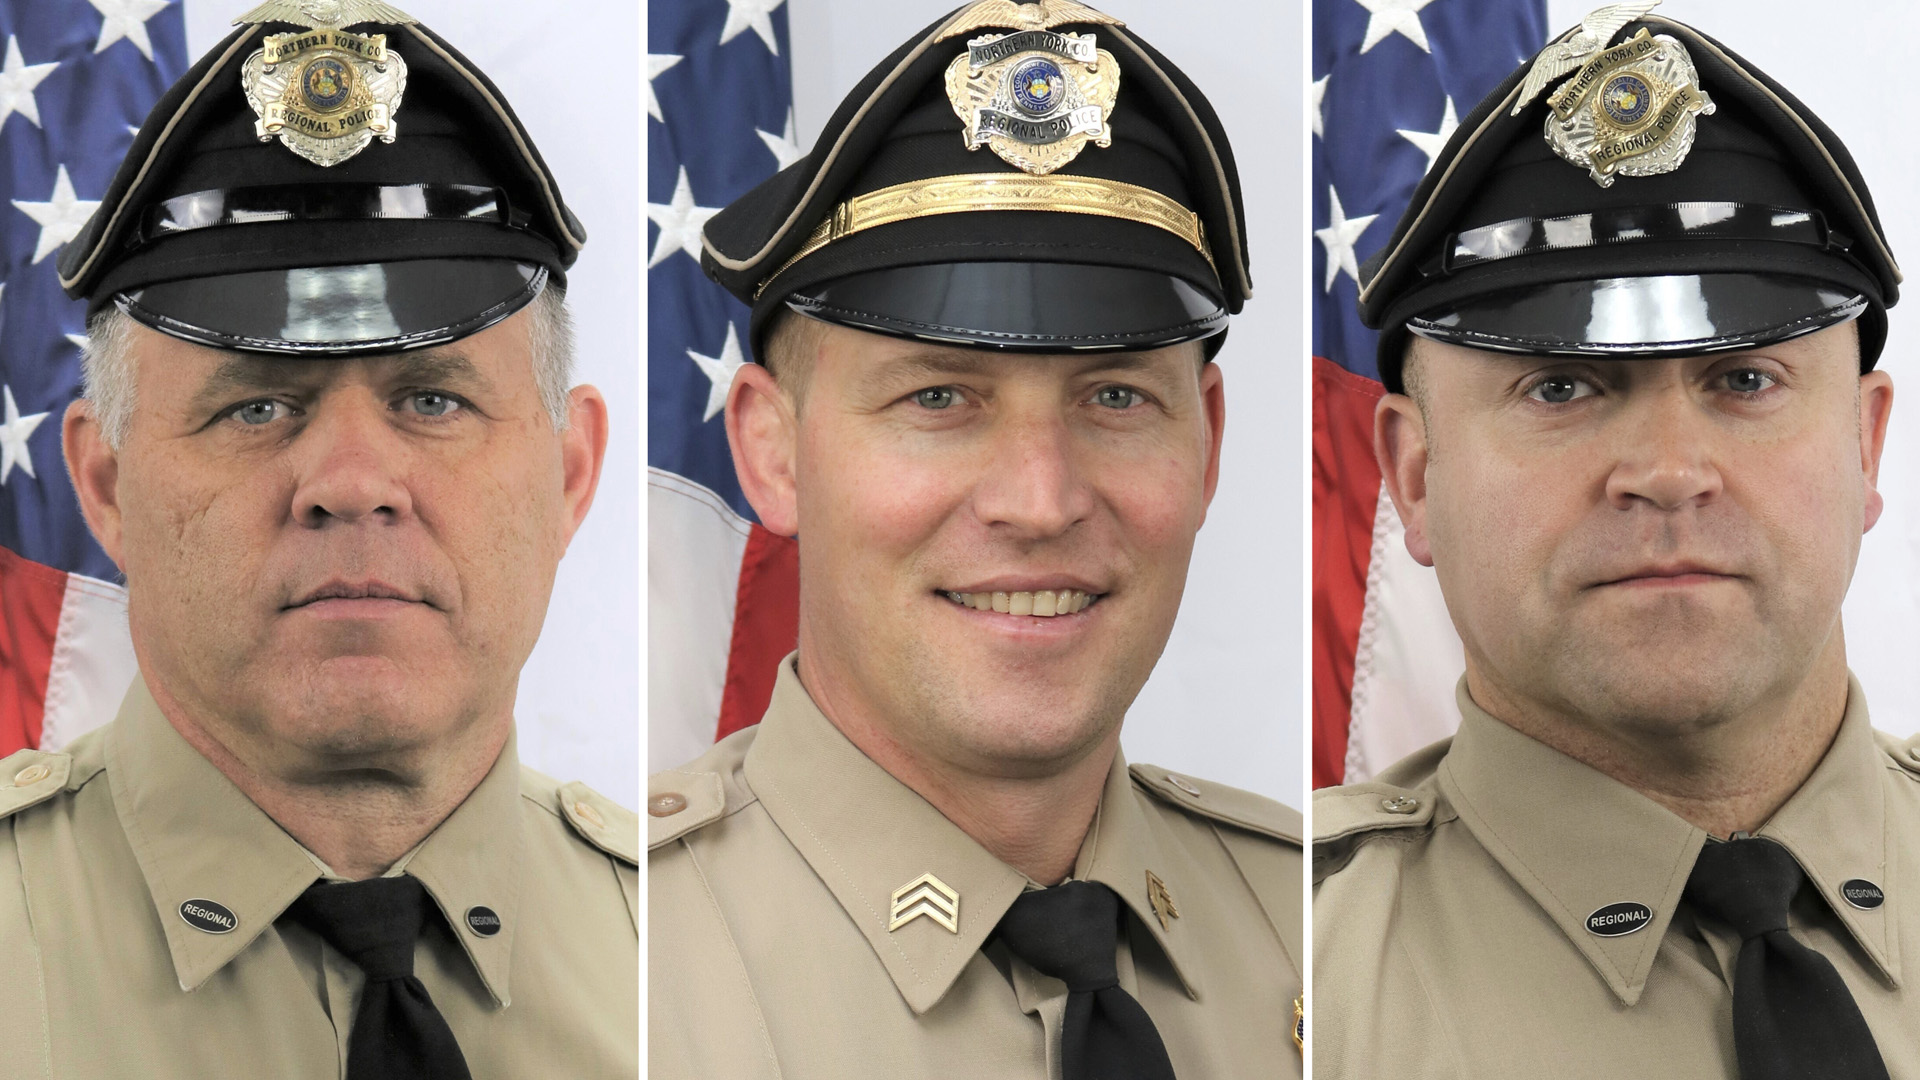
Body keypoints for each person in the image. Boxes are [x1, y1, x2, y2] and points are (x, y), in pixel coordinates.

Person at [648, 1, 1304, 1076]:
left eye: (1116, 397)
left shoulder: (1319, 928)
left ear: (1209, 443)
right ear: (772, 452)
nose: (1041, 502)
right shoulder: (625, 968)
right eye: (939, 396)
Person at [0, 4, 634, 1077]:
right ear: (104, 487)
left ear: (570, 475)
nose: (350, 484)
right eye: (255, 408)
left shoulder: (692, 955)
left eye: (433, 401)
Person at [1313, 5, 1915, 1077]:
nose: (1669, 472)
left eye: (1745, 380)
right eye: (1560, 388)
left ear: (1865, 445)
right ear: (1413, 475)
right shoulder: (1282, 975)